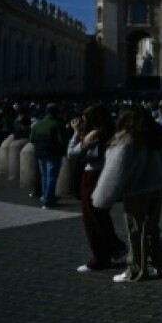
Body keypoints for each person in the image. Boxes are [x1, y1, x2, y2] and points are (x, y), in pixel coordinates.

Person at [93, 107, 162, 282]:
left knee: (135, 230)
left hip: (136, 191)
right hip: (157, 188)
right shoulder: (161, 137)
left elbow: (114, 171)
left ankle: (136, 269)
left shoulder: (126, 140)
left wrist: (102, 197)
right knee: (151, 228)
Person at [68, 104, 126, 272]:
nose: (82, 122)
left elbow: (72, 153)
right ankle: (115, 247)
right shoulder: (111, 130)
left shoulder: (94, 134)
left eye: (85, 119)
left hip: (91, 175)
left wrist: (75, 133)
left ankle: (100, 258)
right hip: (104, 173)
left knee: (91, 218)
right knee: (101, 215)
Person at [29, 103, 68, 208]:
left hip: (40, 153)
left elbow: (31, 139)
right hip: (53, 153)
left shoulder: (37, 124)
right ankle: (48, 199)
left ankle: (45, 195)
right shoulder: (57, 124)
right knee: (52, 177)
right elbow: (63, 140)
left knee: (45, 176)